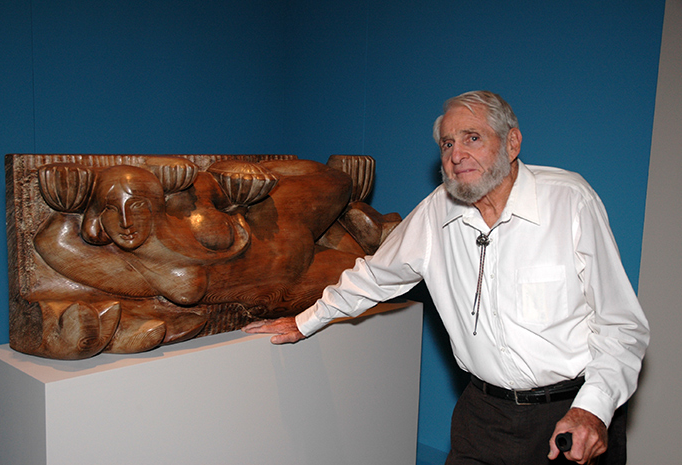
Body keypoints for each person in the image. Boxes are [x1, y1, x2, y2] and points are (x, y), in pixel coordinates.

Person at [243, 90, 649, 464]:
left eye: (472, 138)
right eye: (447, 143)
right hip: (483, 415)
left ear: (512, 143)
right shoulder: (437, 211)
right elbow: (374, 277)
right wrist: (303, 321)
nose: (456, 155)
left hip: (569, 413)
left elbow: (621, 326)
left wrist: (592, 409)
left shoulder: (569, 200)